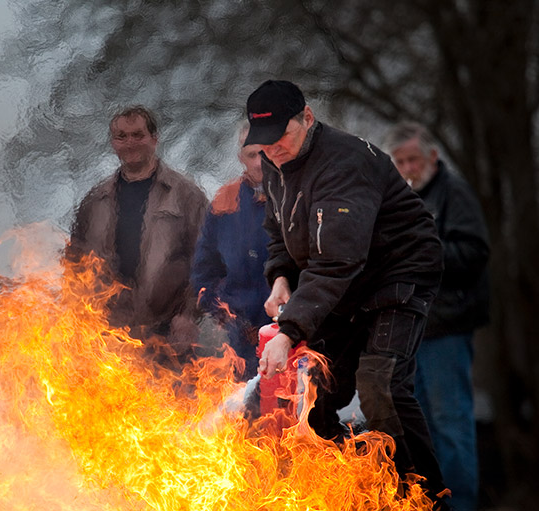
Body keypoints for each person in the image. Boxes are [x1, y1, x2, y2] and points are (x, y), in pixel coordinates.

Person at [247, 80, 448, 506]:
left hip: (397, 272)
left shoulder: (345, 162)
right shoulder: (274, 161)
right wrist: (281, 276)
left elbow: (337, 261)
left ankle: (427, 500)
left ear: (307, 117)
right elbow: (279, 233)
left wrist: (288, 331)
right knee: (312, 398)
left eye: (281, 136)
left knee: (380, 385)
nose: (273, 149)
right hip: (347, 285)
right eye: (263, 142)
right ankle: (356, 492)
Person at [383, 121, 490, 511]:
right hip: (409, 334)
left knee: (451, 426)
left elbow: (475, 253)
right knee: (419, 430)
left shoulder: (454, 193)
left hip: (447, 329)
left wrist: (423, 250)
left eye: (413, 158)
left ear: (432, 156)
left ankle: (461, 504)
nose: (408, 167)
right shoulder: (396, 201)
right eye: (400, 160)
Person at [66, 105, 208, 369]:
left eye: (137, 135)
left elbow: (207, 261)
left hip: (168, 335)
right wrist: (77, 318)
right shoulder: (95, 201)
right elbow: (76, 264)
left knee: (171, 408)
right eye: (122, 136)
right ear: (113, 143)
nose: (130, 143)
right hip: (108, 336)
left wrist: (188, 316)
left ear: (154, 139)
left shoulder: (186, 196)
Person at [189, 122, 269, 380]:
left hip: (289, 331)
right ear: (240, 158)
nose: (259, 162)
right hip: (239, 339)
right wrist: (227, 314)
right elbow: (204, 271)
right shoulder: (225, 199)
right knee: (246, 412)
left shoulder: (298, 196)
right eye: (252, 155)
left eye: (265, 153)